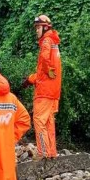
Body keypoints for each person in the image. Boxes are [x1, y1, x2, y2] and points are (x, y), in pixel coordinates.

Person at [21, 15, 62, 160]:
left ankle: (43, 152)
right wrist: (31, 79)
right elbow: (45, 72)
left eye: (38, 28)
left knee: (39, 121)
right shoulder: (54, 42)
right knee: (49, 122)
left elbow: (45, 64)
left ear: (45, 27)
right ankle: (51, 153)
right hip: (53, 91)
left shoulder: (46, 41)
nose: (36, 31)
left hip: (44, 91)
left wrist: (34, 78)